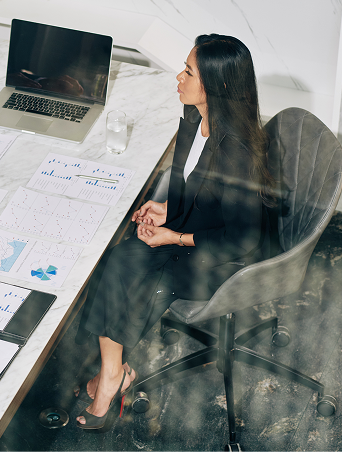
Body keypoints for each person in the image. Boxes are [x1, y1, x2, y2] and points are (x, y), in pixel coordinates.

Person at [73, 34, 274, 431]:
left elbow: (242, 239)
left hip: (227, 258)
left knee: (137, 271)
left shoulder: (237, 152)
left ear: (218, 86)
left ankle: (111, 377)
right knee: (120, 258)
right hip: (197, 232)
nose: (178, 78)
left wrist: (174, 237)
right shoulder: (197, 120)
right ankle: (115, 371)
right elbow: (198, 187)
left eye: (188, 71)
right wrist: (168, 210)